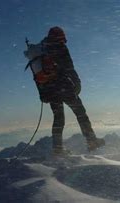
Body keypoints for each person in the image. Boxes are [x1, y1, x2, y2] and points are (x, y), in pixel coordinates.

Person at [36, 26, 104, 155]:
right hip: (64, 87)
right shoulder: (60, 48)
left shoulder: (42, 49)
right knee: (80, 112)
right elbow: (69, 67)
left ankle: (57, 148)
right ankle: (91, 140)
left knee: (58, 118)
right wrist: (77, 82)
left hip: (50, 90)